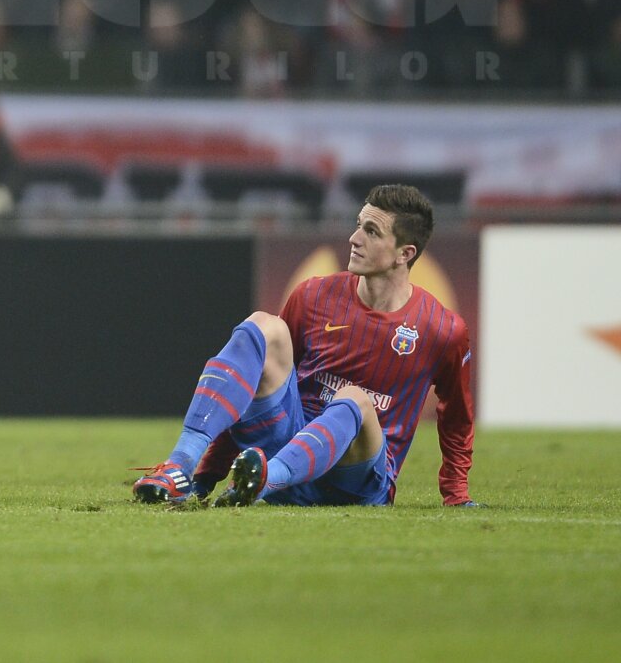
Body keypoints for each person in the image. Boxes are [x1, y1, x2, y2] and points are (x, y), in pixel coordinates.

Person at [132, 184, 476, 508]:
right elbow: (252, 380)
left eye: (371, 232)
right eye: (358, 225)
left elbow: (457, 415)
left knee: (354, 398)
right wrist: (208, 476)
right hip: (284, 451)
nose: (354, 239)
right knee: (262, 326)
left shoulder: (443, 329)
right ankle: (181, 467)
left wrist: (456, 493)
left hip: (357, 481)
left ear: (405, 253)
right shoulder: (313, 295)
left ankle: (264, 481)